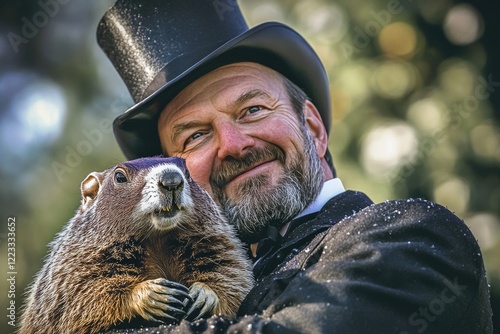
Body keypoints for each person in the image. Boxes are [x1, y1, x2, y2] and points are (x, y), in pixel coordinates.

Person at [97, 0, 493, 333]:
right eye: (195, 136)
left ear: (315, 129)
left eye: (252, 110)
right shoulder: (169, 291)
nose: (233, 146)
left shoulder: (415, 235)